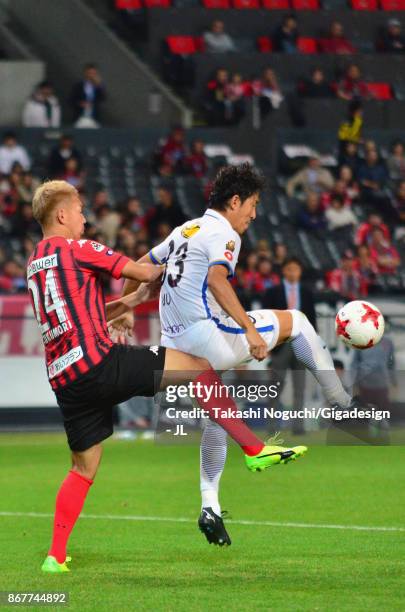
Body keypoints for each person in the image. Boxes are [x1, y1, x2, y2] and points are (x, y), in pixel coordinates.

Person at [29, 179, 302, 571]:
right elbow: (143, 269)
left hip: (65, 377)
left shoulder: (36, 263)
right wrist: (182, 249)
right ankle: (254, 449)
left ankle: (55, 557)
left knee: (82, 468)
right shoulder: (79, 248)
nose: (85, 220)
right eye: (79, 212)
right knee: (199, 368)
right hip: (99, 363)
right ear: (61, 215)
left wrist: (129, 303)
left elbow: (78, 316)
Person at [115, 164, 362, 547]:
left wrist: (130, 306)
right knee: (296, 321)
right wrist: (248, 329)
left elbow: (140, 267)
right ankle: (342, 403)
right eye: (253, 204)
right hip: (207, 337)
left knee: (220, 416)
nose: (255, 214)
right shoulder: (224, 233)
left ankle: (209, 506)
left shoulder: (186, 229)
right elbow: (216, 279)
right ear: (235, 201)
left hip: (175, 346)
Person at [262, 257, 317, 435]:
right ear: (284, 271)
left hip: (300, 343)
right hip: (280, 343)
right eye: (289, 269)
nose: (293, 272)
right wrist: (268, 344)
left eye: (296, 269)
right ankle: (271, 426)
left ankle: (298, 427)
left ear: (300, 272)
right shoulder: (272, 292)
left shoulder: (307, 292)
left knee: (300, 386)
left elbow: (312, 321)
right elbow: (266, 318)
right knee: (275, 386)